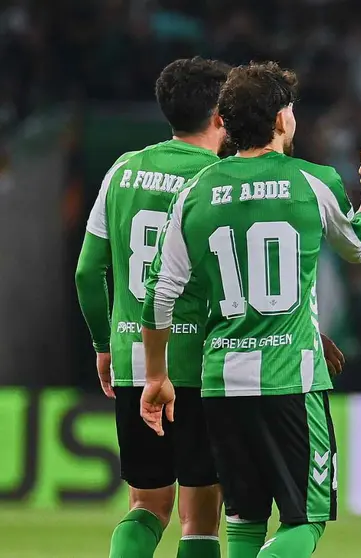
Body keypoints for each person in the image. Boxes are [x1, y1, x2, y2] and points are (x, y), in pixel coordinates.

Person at [138, 61, 361, 558]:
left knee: (246, 521)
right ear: (280, 120)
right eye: (292, 112)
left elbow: (159, 294)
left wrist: (156, 376)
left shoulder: (197, 191)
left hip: (221, 383)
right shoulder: (312, 180)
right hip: (290, 380)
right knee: (308, 521)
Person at [75, 57, 230, 558]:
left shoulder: (124, 169)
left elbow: (86, 273)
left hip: (134, 363)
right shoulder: (221, 178)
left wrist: (104, 346)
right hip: (200, 365)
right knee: (200, 515)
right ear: (221, 115)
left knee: (146, 505)